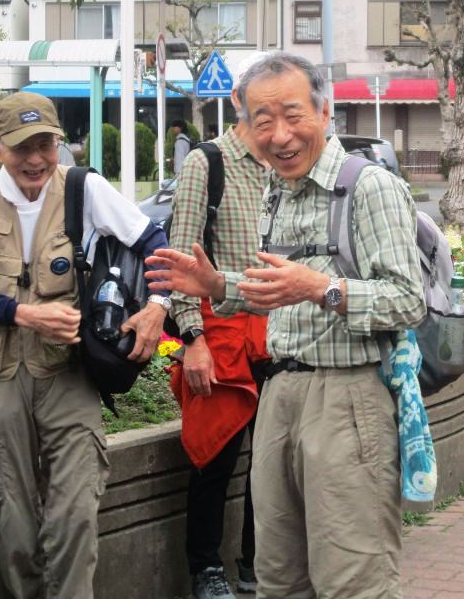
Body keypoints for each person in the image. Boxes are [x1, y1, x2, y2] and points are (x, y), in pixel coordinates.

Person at [146, 52, 426, 599]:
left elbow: (408, 300)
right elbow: (278, 296)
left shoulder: (368, 186)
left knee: (353, 580)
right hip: (278, 393)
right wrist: (217, 286)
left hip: (347, 399)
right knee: (277, 579)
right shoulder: (277, 189)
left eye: (292, 115)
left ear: (324, 111)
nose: (279, 135)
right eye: (263, 120)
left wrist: (320, 288)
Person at [0, 92, 170, 599]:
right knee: (12, 513)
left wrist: (158, 306)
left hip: (69, 373)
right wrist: (25, 314)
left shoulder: (83, 188)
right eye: (22, 147)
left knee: (77, 510)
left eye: (45, 144)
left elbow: (154, 243)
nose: (36, 159)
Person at [169, 93, 271, 599]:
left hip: (275, 334)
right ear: (239, 102)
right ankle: (205, 568)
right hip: (220, 335)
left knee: (270, 462)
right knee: (214, 458)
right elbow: (180, 261)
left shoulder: (284, 164)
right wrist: (192, 339)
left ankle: (257, 563)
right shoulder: (206, 162)